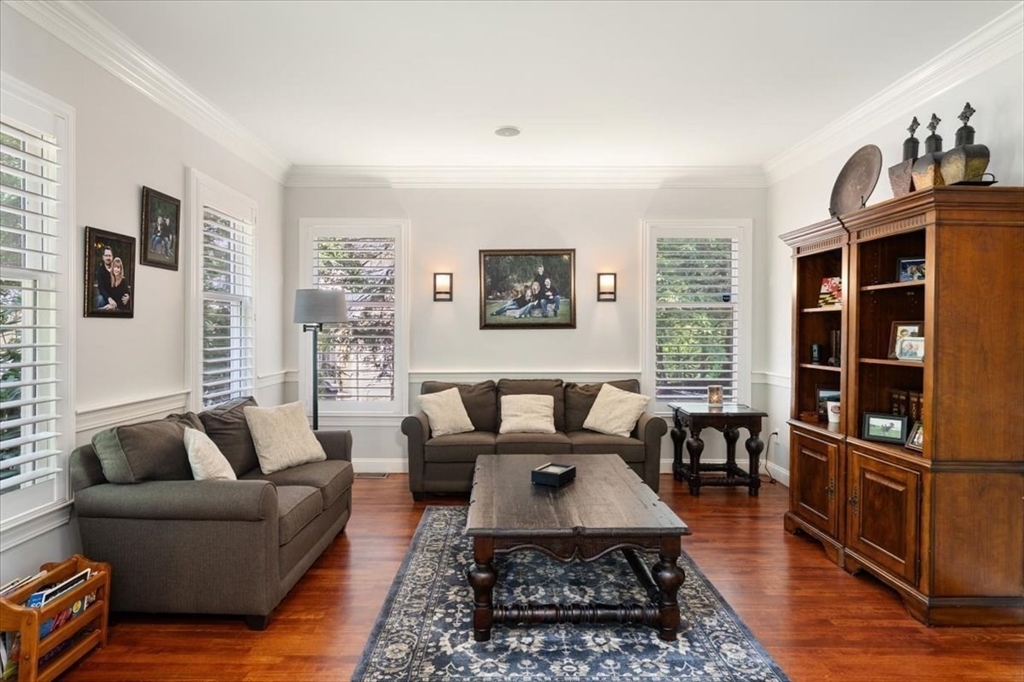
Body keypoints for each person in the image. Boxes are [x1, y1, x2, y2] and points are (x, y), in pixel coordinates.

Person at [93, 246, 115, 310]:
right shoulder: (100, 270)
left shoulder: (116, 269)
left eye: (110, 256)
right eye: (106, 255)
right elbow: (101, 288)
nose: (108, 257)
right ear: (103, 257)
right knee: (100, 299)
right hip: (105, 297)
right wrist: (109, 298)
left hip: (116, 296)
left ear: (112, 257)